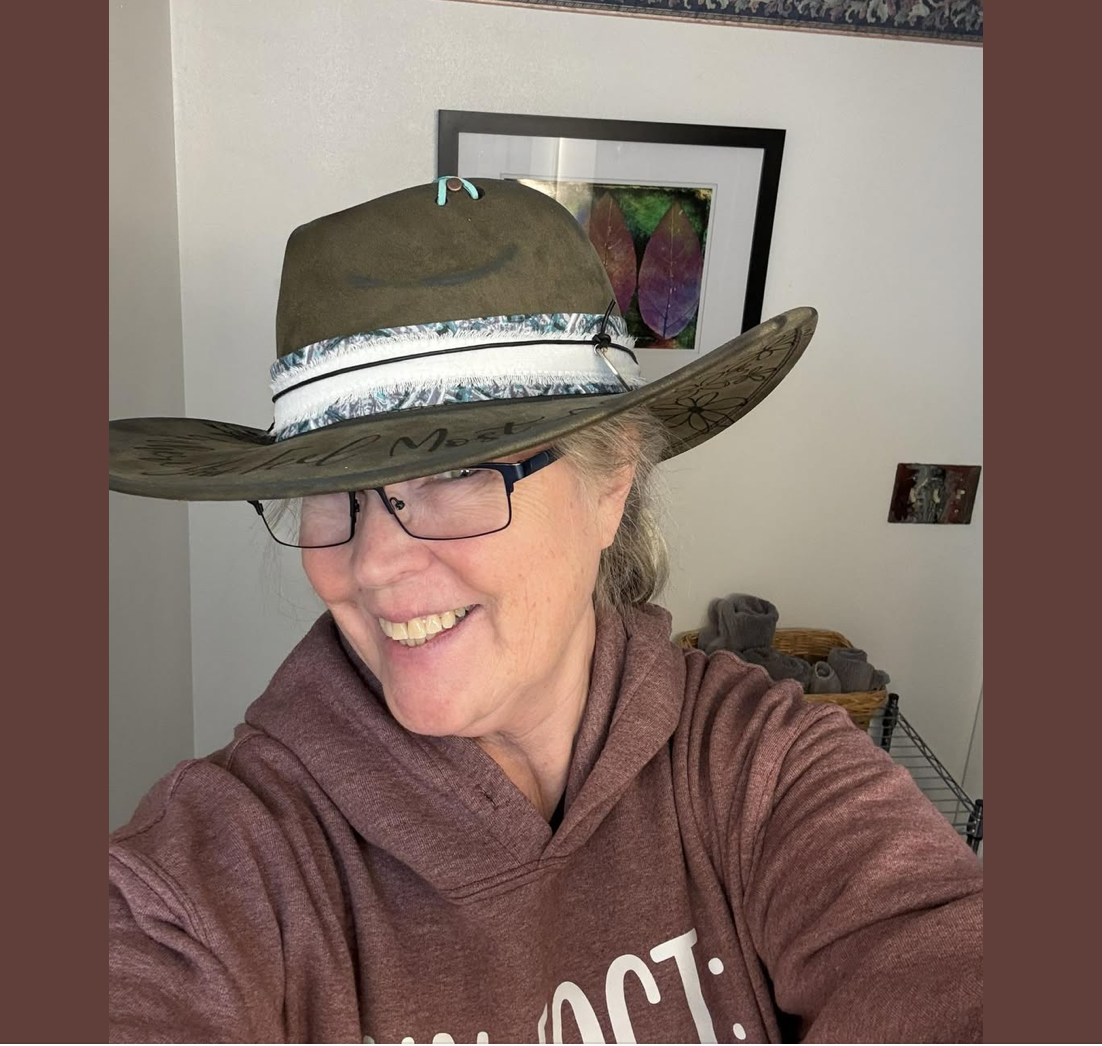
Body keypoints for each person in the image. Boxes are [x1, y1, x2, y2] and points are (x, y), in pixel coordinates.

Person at [109, 176, 982, 1043]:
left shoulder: (758, 768)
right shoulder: (235, 861)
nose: (370, 564)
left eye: (456, 469)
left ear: (614, 482)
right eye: (332, 491)